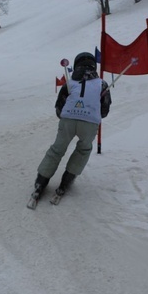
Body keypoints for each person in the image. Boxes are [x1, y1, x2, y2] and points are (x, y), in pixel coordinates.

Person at [33, 52, 112, 199]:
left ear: (76, 66)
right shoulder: (102, 84)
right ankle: (66, 182)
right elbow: (105, 110)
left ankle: (41, 182)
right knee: (83, 150)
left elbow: (59, 107)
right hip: (89, 122)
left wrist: (68, 116)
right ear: (94, 66)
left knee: (57, 149)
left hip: (68, 119)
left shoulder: (69, 83)